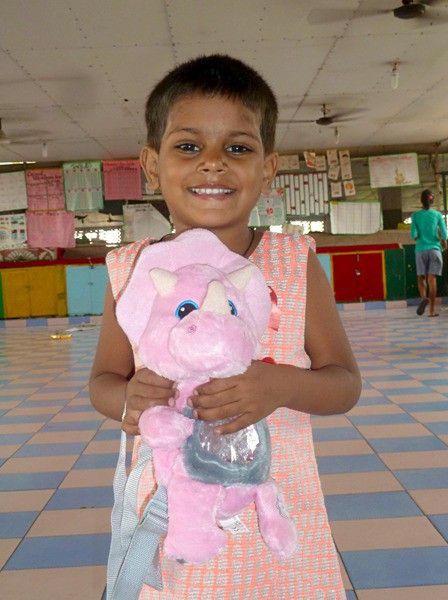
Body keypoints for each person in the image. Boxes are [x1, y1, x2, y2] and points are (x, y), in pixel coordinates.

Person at [90, 54, 361, 599]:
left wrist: (280, 385)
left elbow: (344, 384)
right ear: (151, 165)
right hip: (175, 516)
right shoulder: (133, 270)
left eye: (237, 148)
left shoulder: (293, 262)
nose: (212, 164)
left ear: (268, 168)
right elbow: (103, 382)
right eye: (188, 147)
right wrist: (129, 401)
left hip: (277, 518)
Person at [411, 189, 448, 317]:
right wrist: (444, 243)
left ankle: (423, 298)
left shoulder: (415, 216)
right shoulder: (437, 215)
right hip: (435, 250)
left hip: (420, 250)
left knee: (421, 277)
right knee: (432, 280)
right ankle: (431, 310)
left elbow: (413, 235)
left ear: (421, 201)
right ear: (432, 201)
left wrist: (419, 237)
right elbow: (444, 234)